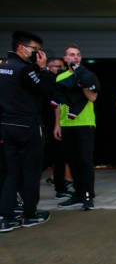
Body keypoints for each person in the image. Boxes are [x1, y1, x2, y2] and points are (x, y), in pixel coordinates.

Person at [0, 31, 54, 232]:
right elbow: (46, 90)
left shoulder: (3, 67)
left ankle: (5, 217)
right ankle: (29, 214)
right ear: (21, 48)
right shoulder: (24, 70)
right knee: (31, 172)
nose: (38, 53)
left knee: (10, 172)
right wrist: (43, 70)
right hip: (27, 127)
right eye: (35, 49)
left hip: (6, 127)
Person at [54, 45, 100, 211]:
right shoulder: (60, 77)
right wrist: (57, 124)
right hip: (67, 125)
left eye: (78, 55)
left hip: (84, 124)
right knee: (72, 162)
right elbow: (58, 103)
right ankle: (78, 194)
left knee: (85, 161)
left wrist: (82, 83)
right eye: (71, 55)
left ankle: (88, 196)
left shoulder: (87, 75)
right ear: (65, 59)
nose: (75, 57)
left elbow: (93, 97)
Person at [43, 57, 73, 199]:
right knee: (46, 158)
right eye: (57, 66)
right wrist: (56, 124)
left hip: (56, 123)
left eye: (62, 67)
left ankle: (60, 188)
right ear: (49, 66)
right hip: (48, 124)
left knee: (59, 158)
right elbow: (54, 104)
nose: (60, 69)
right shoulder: (48, 80)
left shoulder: (57, 80)